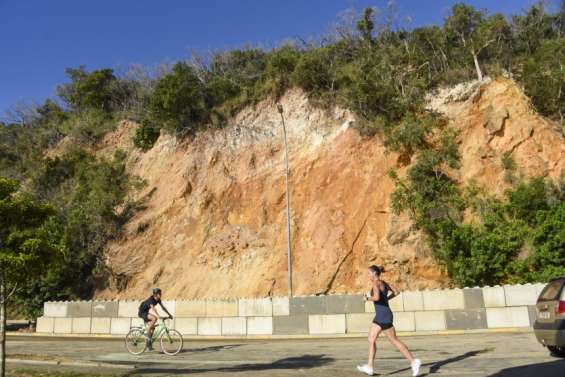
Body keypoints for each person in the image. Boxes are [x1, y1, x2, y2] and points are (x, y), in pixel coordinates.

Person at [357, 265, 421, 376]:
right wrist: (386, 298)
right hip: (381, 315)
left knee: (394, 341)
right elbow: (397, 292)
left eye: (369, 273)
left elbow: (376, 297)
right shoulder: (384, 283)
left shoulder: (375, 283)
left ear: (374, 274)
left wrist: (366, 299)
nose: (368, 275)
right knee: (371, 339)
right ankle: (369, 367)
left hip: (383, 316)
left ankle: (413, 361)